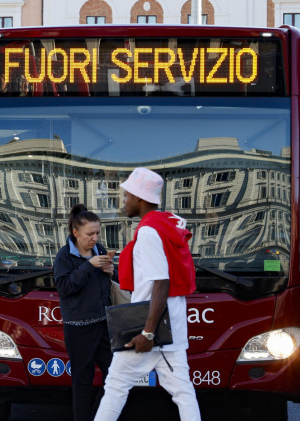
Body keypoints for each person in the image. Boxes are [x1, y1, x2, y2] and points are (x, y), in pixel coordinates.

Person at [94, 168, 200, 421]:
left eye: (127, 195)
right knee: (183, 393)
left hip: (149, 325)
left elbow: (161, 282)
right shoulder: (163, 226)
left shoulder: (148, 232)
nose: (124, 200)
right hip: (169, 327)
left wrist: (148, 333)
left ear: (140, 198)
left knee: (116, 387)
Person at [53, 204, 113, 421]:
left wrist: (109, 271)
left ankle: (100, 417)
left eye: (97, 233)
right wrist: (89, 266)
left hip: (104, 324)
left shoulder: (100, 250)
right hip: (78, 328)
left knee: (115, 377)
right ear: (76, 233)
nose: (95, 238)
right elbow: (65, 288)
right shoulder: (64, 256)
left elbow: (105, 287)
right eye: (90, 234)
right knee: (82, 382)